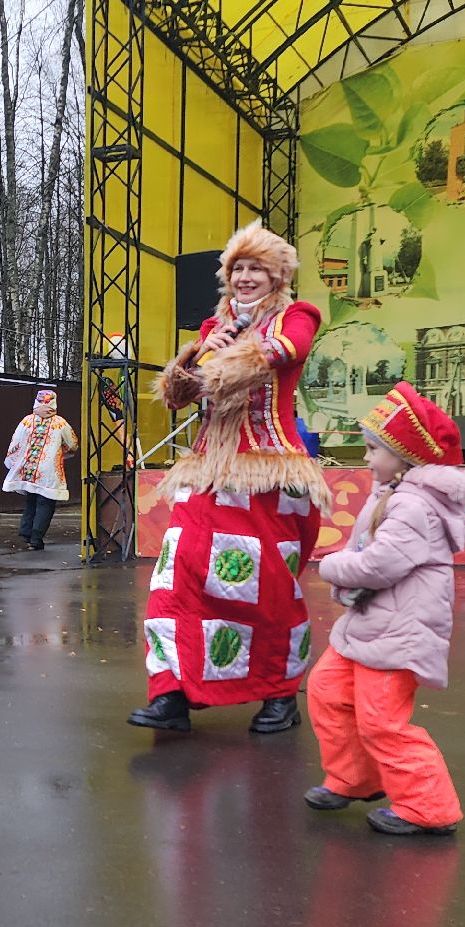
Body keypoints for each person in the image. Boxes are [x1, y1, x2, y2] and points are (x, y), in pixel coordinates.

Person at [127, 220, 328, 736]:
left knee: (265, 588)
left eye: (255, 268)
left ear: (276, 275)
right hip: (208, 472)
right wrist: (196, 354)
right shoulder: (209, 329)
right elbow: (180, 395)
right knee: (177, 575)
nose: (244, 277)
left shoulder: (295, 315)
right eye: (237, 268)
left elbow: (284, 353)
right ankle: (171, 691)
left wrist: (230, 347)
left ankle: (279, 694)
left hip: (268, 472)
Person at [304, 382, 465, 837]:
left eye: (373, 449)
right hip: (371, 623)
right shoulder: (393, 494)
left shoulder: (414, 504)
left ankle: (428, 807)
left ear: (405, 456)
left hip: (400, 630)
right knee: (326, 690)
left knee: (382, 720)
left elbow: (380, 563)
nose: (365, 458)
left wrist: (332, 566)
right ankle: (355, 778)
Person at [1, 388, 78, 550]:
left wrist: (12, 462)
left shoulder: (27, 421)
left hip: (28, 467)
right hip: (49, 470)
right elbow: (72, 444)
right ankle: (36, 538)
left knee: (31, 499)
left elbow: (15, 443)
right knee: (46, 503)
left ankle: (25, 531)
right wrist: (62, 453)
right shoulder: (60, 423)